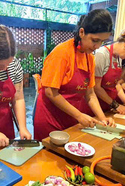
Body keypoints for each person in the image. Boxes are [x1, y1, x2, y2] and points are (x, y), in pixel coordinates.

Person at [34, 9, 115, 141]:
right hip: (50, 120)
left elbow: (90, 94)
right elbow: (50, 92)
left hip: (70, 119)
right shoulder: (61, 53)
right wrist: (79, 115)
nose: (97, 46)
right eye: (95, 40)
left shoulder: (90, 59)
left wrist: (103, 118)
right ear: (82, 32)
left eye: (102, 41)